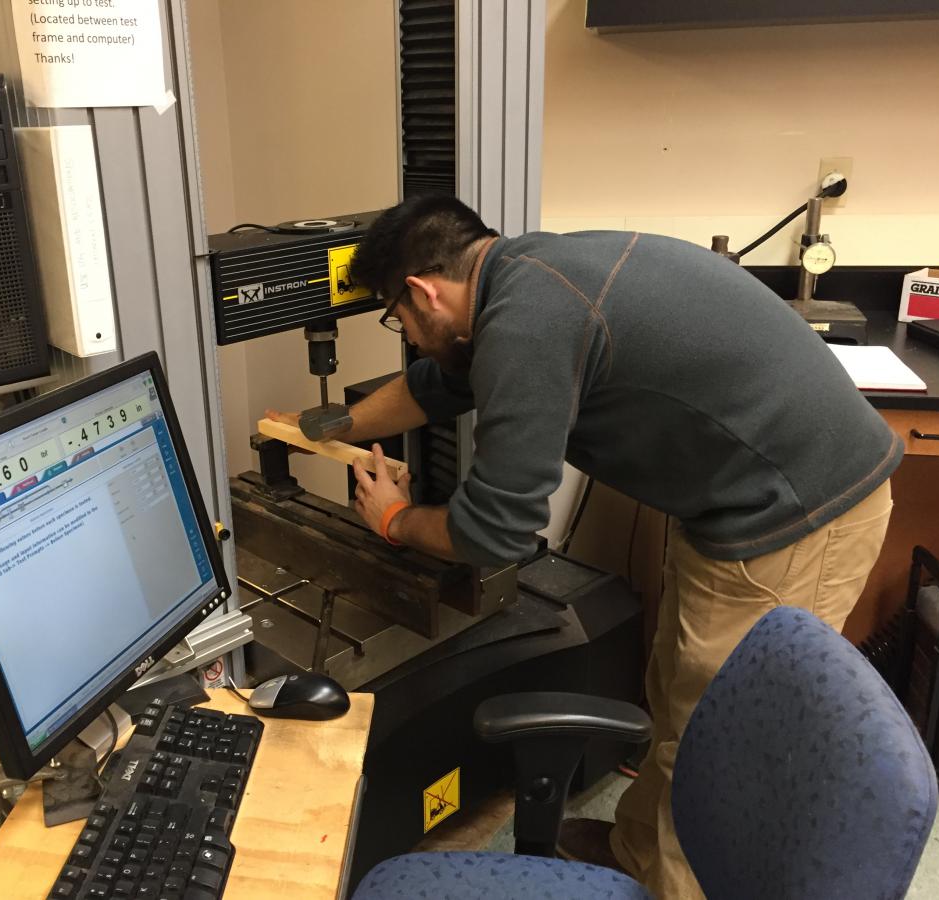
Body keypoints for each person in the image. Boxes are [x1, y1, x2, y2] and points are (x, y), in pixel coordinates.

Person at [267, 194, 899, 899]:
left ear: (423, 291)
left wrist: (393, 520)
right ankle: (637, 850)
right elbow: (435, 385)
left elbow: (493, 530)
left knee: (717, 744)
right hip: (734, 503)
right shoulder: (522, 273)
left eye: (399, 317)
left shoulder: (529, 321)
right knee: (678, 691)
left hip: (800, 510)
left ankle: (675, 887)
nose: (408, 335)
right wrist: (333, 425)